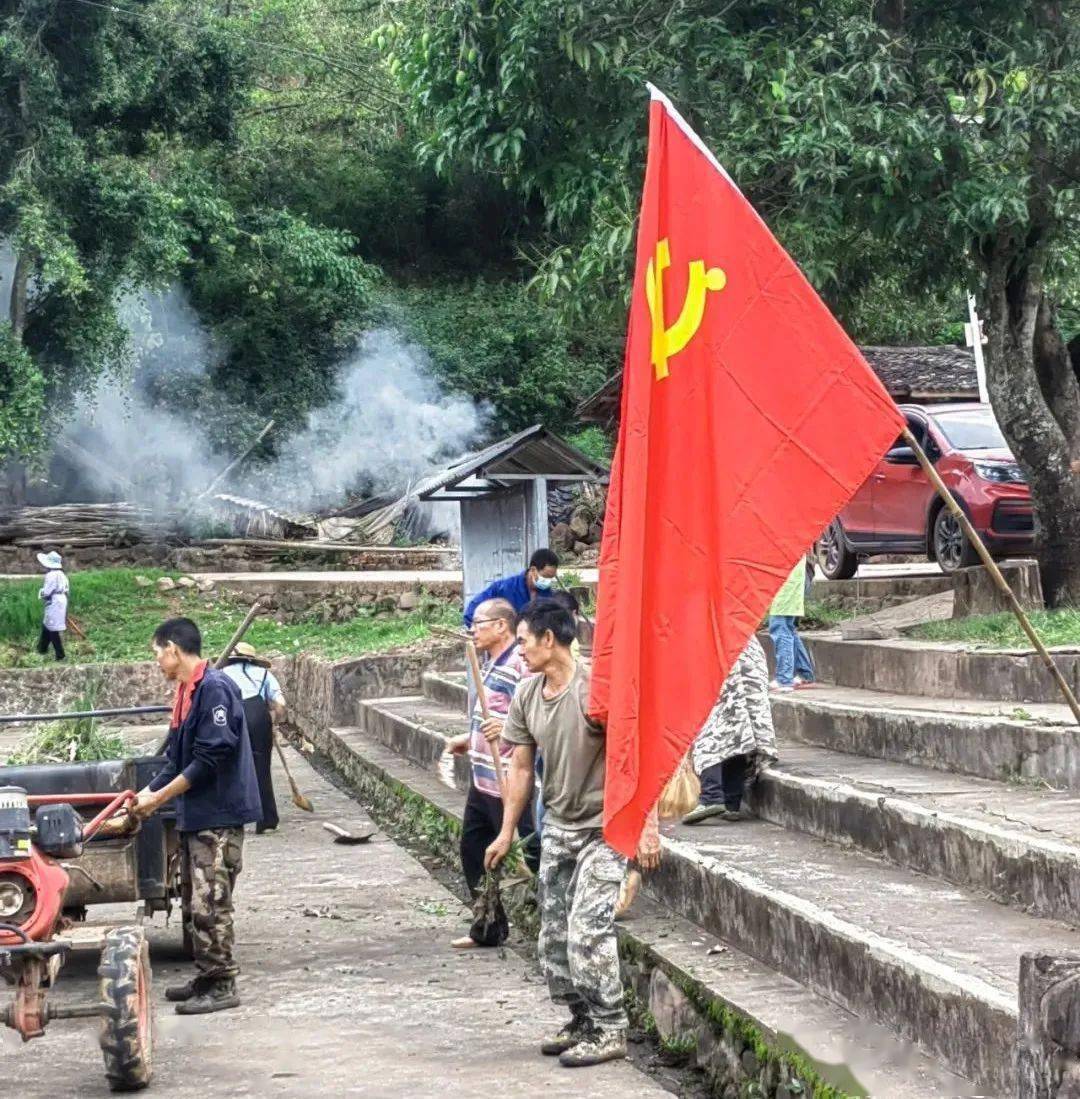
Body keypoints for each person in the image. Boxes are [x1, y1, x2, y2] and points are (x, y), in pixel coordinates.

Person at [485, 602, 631, 1069]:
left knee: (588, 927)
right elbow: (522, 767)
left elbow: (634, 757)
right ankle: (582, 1018)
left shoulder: (597, 690)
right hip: (559, 827)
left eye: (524, 641)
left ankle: (611, 1027)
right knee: (553, 934)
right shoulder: (528, 694)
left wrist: (644, 828)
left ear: (549, 640)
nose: (519, 651)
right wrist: (507, 831)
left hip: (605, 829)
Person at [130, 617, 261, 1015]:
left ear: (173, 649)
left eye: (157, 653)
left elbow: (209, 758)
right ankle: (207, 974)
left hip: (218, 816)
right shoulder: (189, 692)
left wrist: (160, 798)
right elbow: (176, 760)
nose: (157, 662)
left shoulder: (215, 689)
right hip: (197, 815)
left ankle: (222, 983)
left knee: (211, 901)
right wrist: (143, 795)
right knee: (193, 902)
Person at [445, 598, 539, 948]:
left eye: (479, 623)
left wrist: (508, 727)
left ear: (502, 625)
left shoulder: (521, 663)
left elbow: (529, 713)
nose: (474, 630)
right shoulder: (488, 663)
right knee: (472, 849)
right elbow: (489, 719)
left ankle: (553, 915)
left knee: (531, 852)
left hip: (509, 780)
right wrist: (468, 740)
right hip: (483, 779)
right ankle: (487, 928)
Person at [682, 635, 778, 824]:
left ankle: (712, 796)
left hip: (719, 652)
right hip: (748, 651)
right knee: (740, 729)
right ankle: (731, 801)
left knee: (710, 726)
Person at [220, 642, 286, 835]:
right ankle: (267, 821)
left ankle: (230, 818)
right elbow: (280, 705)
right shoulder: (264, 674)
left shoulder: (221, 674)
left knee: (229, 766)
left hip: (231, 718)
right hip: (258, 719)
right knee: (261, 768)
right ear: (252, 659)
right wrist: (273, 721)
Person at [463, 548, 559, 627]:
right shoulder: (504, 588)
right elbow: (471, 613)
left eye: (551, 578)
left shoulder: (548, 595)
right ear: (533, 570)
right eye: (545, 577)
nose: (548, 581)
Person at [768, 556, 815, 692]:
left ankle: (784, 679)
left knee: (780, 627)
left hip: (788, 579)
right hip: (797, 575)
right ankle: (804, 672)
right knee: (788, 627)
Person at [36, 550, 68, 661]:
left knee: (53, 628)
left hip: (54, 601)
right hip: (62, 600)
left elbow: (47, 591)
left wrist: (41, 593)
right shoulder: (62, 574)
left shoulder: (51, 575)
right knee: (47, 624)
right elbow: (67, 590)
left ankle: (60, 655)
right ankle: (42, 648)